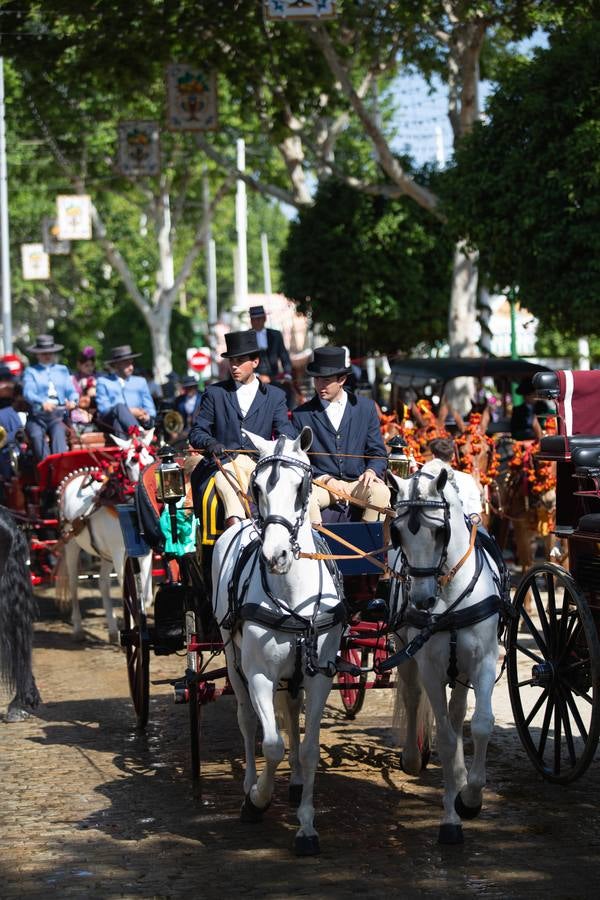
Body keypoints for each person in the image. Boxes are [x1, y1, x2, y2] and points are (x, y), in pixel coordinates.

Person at [189, 329, 295, 527]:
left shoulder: (275, 396)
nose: (234, 366)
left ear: (255, 362)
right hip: (225, 463)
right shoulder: (214, 393)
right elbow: (197, 432)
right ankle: (235, 533)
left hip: (261, 464)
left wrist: (276, 447)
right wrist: (210, 442)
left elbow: (286, 432)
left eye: (239, 361)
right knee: (229, 488)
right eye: (231, 361)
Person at [291, 346, 390, 524]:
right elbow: (297, 459)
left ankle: (370, 547)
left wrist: (371, 470)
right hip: (322, 485)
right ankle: (317, 548)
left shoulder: (366, 408)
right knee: (305, 498)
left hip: (358, 483)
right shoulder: (301, 414)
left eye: (326, 380)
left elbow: (377, 452)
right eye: (317, 379)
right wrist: (324, 478)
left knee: (382, 493)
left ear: (342, 379)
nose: (320, 385)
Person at [23, 334, 79, 459]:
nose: (47, 356)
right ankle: (45, 468)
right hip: (38, 416)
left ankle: (59, 467)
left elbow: (71, 390)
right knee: (36, 435)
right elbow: (28, 392)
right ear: (37, 354)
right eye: (44, 353)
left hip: (58, 416)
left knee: (59, 433)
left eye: (50, 353)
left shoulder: (62, 369)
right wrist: (42, 402)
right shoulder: (31, 371)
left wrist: (73, 401)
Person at [95, 345, 156, 438]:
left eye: (131, 363)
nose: (131, 367)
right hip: (109, 421)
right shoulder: (103, 381)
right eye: (126, 364)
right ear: (116, 365)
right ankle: (140, 434)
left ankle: (128, 449)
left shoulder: (140, 381)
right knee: (119, 408)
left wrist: (146, 416)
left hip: (135, 421)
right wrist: (128, 412)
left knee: (118, 423)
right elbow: (103, 409)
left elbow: (150, 409)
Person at [428, 437, 483, 518]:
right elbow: (475, 514)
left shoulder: (424, 478)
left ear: (433, 457)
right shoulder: (468, 479)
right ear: (453, 456)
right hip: (463, 528)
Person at [248, 305, 293, 385]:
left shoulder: (276, 335)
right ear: (251, 321)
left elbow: (284, 355)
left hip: (274, 377)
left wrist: (287, 374)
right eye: (253, 319)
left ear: (264, 318)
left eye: (259, 319)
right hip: (253, 378)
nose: (256, 322)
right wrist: (256, 376)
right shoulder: (246, 337)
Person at [71, 346, 98, 433]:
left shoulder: (98, 377)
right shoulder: (73, 379)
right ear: (79, 365)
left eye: (92, 365)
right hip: (79, 409)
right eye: (86, 365)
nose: (90, 368)